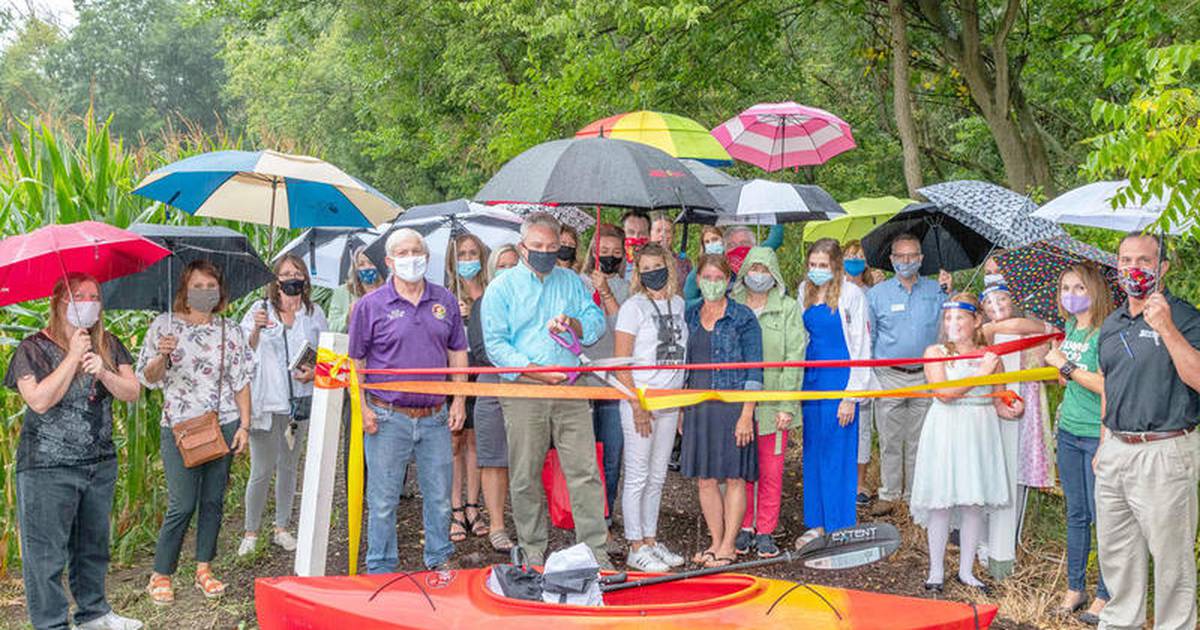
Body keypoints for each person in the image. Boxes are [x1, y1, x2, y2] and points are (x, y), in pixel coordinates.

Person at [6, 274, 143, 630]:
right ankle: (51, 624)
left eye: (93, 295)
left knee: (92, 547)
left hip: (99, 462)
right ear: (57, 301)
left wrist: (105, 372)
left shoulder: (110, 344)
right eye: (77, 295)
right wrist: (73, 356)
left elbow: (132, 391)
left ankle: (94, 614)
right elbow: (39, 400)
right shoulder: (31, 349)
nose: (87, 301)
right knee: (46, 556)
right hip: (47, 467)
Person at [480, 212, 610, 567]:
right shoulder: (501, 288)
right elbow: (496, 346)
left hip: (571, 387)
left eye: (552, 247)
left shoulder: (570, 282)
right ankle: (533, 549)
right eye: (537, 247)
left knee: (583, 470)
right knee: (525, 472)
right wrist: (537, 373)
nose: (544, 252)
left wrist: (575, 323)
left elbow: (597, 324)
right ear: (523, 247)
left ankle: (595, 551)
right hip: (524, 390)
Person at [1094, 233, 1200, 630]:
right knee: (1117, 554)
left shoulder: (1186, 317)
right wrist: (1103, 444)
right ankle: (1120, 622)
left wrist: (1166, 328)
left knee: (1172, 559)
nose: (1132, 268)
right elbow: (1109, 383)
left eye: (1143, 260)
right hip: (1116, 451)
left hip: (1166, 450)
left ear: (1162, 268)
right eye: (1125, 260)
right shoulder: (1112, 323)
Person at [348, 228, 468, 572]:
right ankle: (381, 568)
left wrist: (459, 400)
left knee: (440, 498)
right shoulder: (369, 306)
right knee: (383, 500)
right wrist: (362, 407)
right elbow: (356, 361)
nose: (411, 258)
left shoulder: (444, 300)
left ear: (427, 258)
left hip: (435, 417)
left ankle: (439, 560)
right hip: (387, 416)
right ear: (389, 261)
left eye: (417, 251)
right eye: (402, 253)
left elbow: (457, 351)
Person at [137, 260, 254, 604]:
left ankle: (204, 567)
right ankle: (161, 572)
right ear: (184, 291)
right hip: (180, 426)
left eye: (211, 286)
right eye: (198, 286)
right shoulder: (164, 326)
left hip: (223, 423)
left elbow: (242, 379)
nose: (205, 292)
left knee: (213, 500)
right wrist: (162, 354)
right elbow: (150, 377)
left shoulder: (229, 329)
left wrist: (245, 425)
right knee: (182, 503)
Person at [910, 294, 1024, 594]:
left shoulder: (991, 357)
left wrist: (1011, 407)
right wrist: (979, 373)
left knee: (973, 502)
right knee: (941, 502)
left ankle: (966, 571)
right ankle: (936, 570)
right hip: (946, 429)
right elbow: (944, 394)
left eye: (959, 317)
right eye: (948, 318)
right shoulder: (935, 352)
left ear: (976, 321)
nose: (953, 324)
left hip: (979, 430)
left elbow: (999, 399)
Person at [238, 255, 328, 556]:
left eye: (297, 272)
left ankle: (282, 527)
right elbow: (242, 353)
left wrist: (315, 371)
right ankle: (250, 532)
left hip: (301, 399)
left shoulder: (313, 313)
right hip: (268, 401)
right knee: (262, 468)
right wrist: (255, 330)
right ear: (275, 280)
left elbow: (326, 354)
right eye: (286, 273)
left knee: (290, 466)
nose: (292, 277)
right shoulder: (259, 310)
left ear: (305, 278)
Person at [1041, 264, 1112, 624]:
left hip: (1095, 433)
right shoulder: (1070, 327)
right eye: (1066, 287)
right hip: (1068, 431)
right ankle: (1075, 588)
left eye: (1079, 287)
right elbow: (1069, 382)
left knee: (1104, 518)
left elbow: (1107, 387)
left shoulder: (1106, 333)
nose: (1071, 294)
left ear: (1095, 291)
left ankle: (1105, 594)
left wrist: (1066, 366)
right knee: (1076, 514)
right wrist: (1062, 369)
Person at [682, 254, 762, 568]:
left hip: (733, 408)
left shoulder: (743, 317)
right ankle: (715, 541)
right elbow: (682, 366)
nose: (712, 284)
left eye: (719, 278)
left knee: (734, 478)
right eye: (707, 277)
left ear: (729, 281)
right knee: (705, 479)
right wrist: (679, 409)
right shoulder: (688, 315)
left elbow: (756, 370)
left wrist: (746, 414)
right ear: (698, 280)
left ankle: (729, 544)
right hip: (698, 408)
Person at [612, 244, 689, 572]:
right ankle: (635, 544)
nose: (652, 272)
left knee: (658, 475)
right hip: (640, 400)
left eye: (658, 265)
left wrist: (682, 401)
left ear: (669, 266)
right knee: (638, 474)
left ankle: (651, 538)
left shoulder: (679, 303)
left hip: (671, 402)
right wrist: (636, 404)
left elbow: (681, 357)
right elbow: (621, 364)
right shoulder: (633, 307)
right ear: (637, 272)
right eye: (645, 268)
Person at [793, 239, 871, 549]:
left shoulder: (852, 295)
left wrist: (851, 395)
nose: (816, 270)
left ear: (835, 266)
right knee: (814, 451)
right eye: (812, 265)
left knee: (838, 454)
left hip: (841, 380)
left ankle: (841, 526)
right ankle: (817, 523)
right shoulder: (805, 291)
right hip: (812, 379)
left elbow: (862, 347)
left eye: (823, 265)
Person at [730, 247, 805, 558]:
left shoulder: (787, 308)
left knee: (771, 471)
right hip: (739, 405)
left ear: (774, 274)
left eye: (764, 269)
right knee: (741, 469)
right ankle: (744, 525)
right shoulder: (732, 306)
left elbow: (794, 357)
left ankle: (766, 530)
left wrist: (787, 405)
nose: (758, 276)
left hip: (774, 404)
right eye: (753, 268)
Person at [865, 233, 946, 516]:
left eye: (912, 256)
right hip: (889, 375)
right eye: (900, 256)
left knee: (919, 439)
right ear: (891, 260)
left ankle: (915, 494)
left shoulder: (936, 292)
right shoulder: (876, 295)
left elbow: (943, 332)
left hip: (924, 375)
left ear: (921, 259)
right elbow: (870, 335)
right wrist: (873, 372)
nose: (906, 261)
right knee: (889, 439)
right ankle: (889, 493)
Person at [977, 283, 1053, 580]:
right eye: (990, 301)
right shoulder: (982, 332)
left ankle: (1009, 540)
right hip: (992, 405)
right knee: (988, 471)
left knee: (1017, 472)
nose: (998, 304)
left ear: (1014, 299)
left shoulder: (1031, 327)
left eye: (1004, 298)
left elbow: (1044, 332)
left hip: (1028, 404)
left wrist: (1006, 325)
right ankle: (983, 538)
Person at [469, 244, 521, 553]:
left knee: (525, 460)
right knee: (494, 459)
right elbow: (481, 350)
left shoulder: (533, 302)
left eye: (514, 264)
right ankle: (498, 525)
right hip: (492, 384)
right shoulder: (483, 304)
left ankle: (529, 527)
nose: (508, 270)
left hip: (528, 386)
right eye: (502, 265)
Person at [579, 223, 630, 530]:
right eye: (603, 251)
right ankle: (583, 513)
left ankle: (606, 512)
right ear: (593, 252)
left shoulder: (627, 287)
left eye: (616, 252)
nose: (609, 257)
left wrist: (606, 290)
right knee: (585, 455)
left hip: (613, 381)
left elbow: (622, 326)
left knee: (612, 455)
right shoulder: (576, 283)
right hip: (584, 379)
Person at [446, 234, 491, 543]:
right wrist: (455, 316)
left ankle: (474, 506)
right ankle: (455, 509)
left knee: (476, 443)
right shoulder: (445, 294)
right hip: (453, 376)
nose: (467, 259)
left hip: (482, 372)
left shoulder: (492, 292)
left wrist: (475, 313)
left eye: (473, 253)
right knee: (454, 445)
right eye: (461, 254)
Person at [843, 239, 882, 505]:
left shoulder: (874, 291)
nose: (854, 260)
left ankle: (859, 483)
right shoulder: (834, 291)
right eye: (849, 255)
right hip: (839, 367)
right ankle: (841, 480)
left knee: (863, 428)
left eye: (859, 256)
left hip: (865, 364)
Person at [328, 247, 383, 333]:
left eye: (371, 263)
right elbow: (331, 327)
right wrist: (347, 318)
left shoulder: (387, 290)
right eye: (361, 264)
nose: (367, 267)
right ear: (355, 268)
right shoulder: (343, 291)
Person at [649, 210, 690, 288]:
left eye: (667, 231)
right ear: (650, 234)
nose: (663, 235)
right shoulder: (643, 260)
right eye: (658, 230)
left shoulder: (684, 262)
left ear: (673, 235)